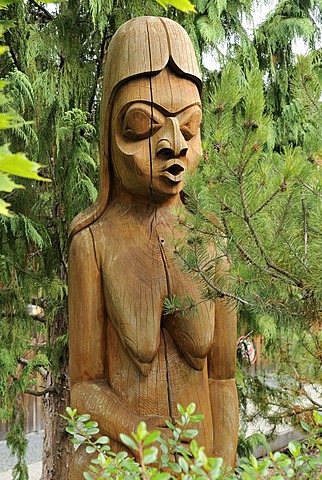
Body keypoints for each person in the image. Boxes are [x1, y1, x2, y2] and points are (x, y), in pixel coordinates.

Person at [68, 16, 238, 479]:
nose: (173, 144)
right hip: (124, 463)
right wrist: (139, 435)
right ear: (110, 130)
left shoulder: (213, 237)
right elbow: (83, 387)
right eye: (142, 124)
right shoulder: (93, 241)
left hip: (201, 462)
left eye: (190, 124)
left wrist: (220, 466)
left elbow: (222, 379)